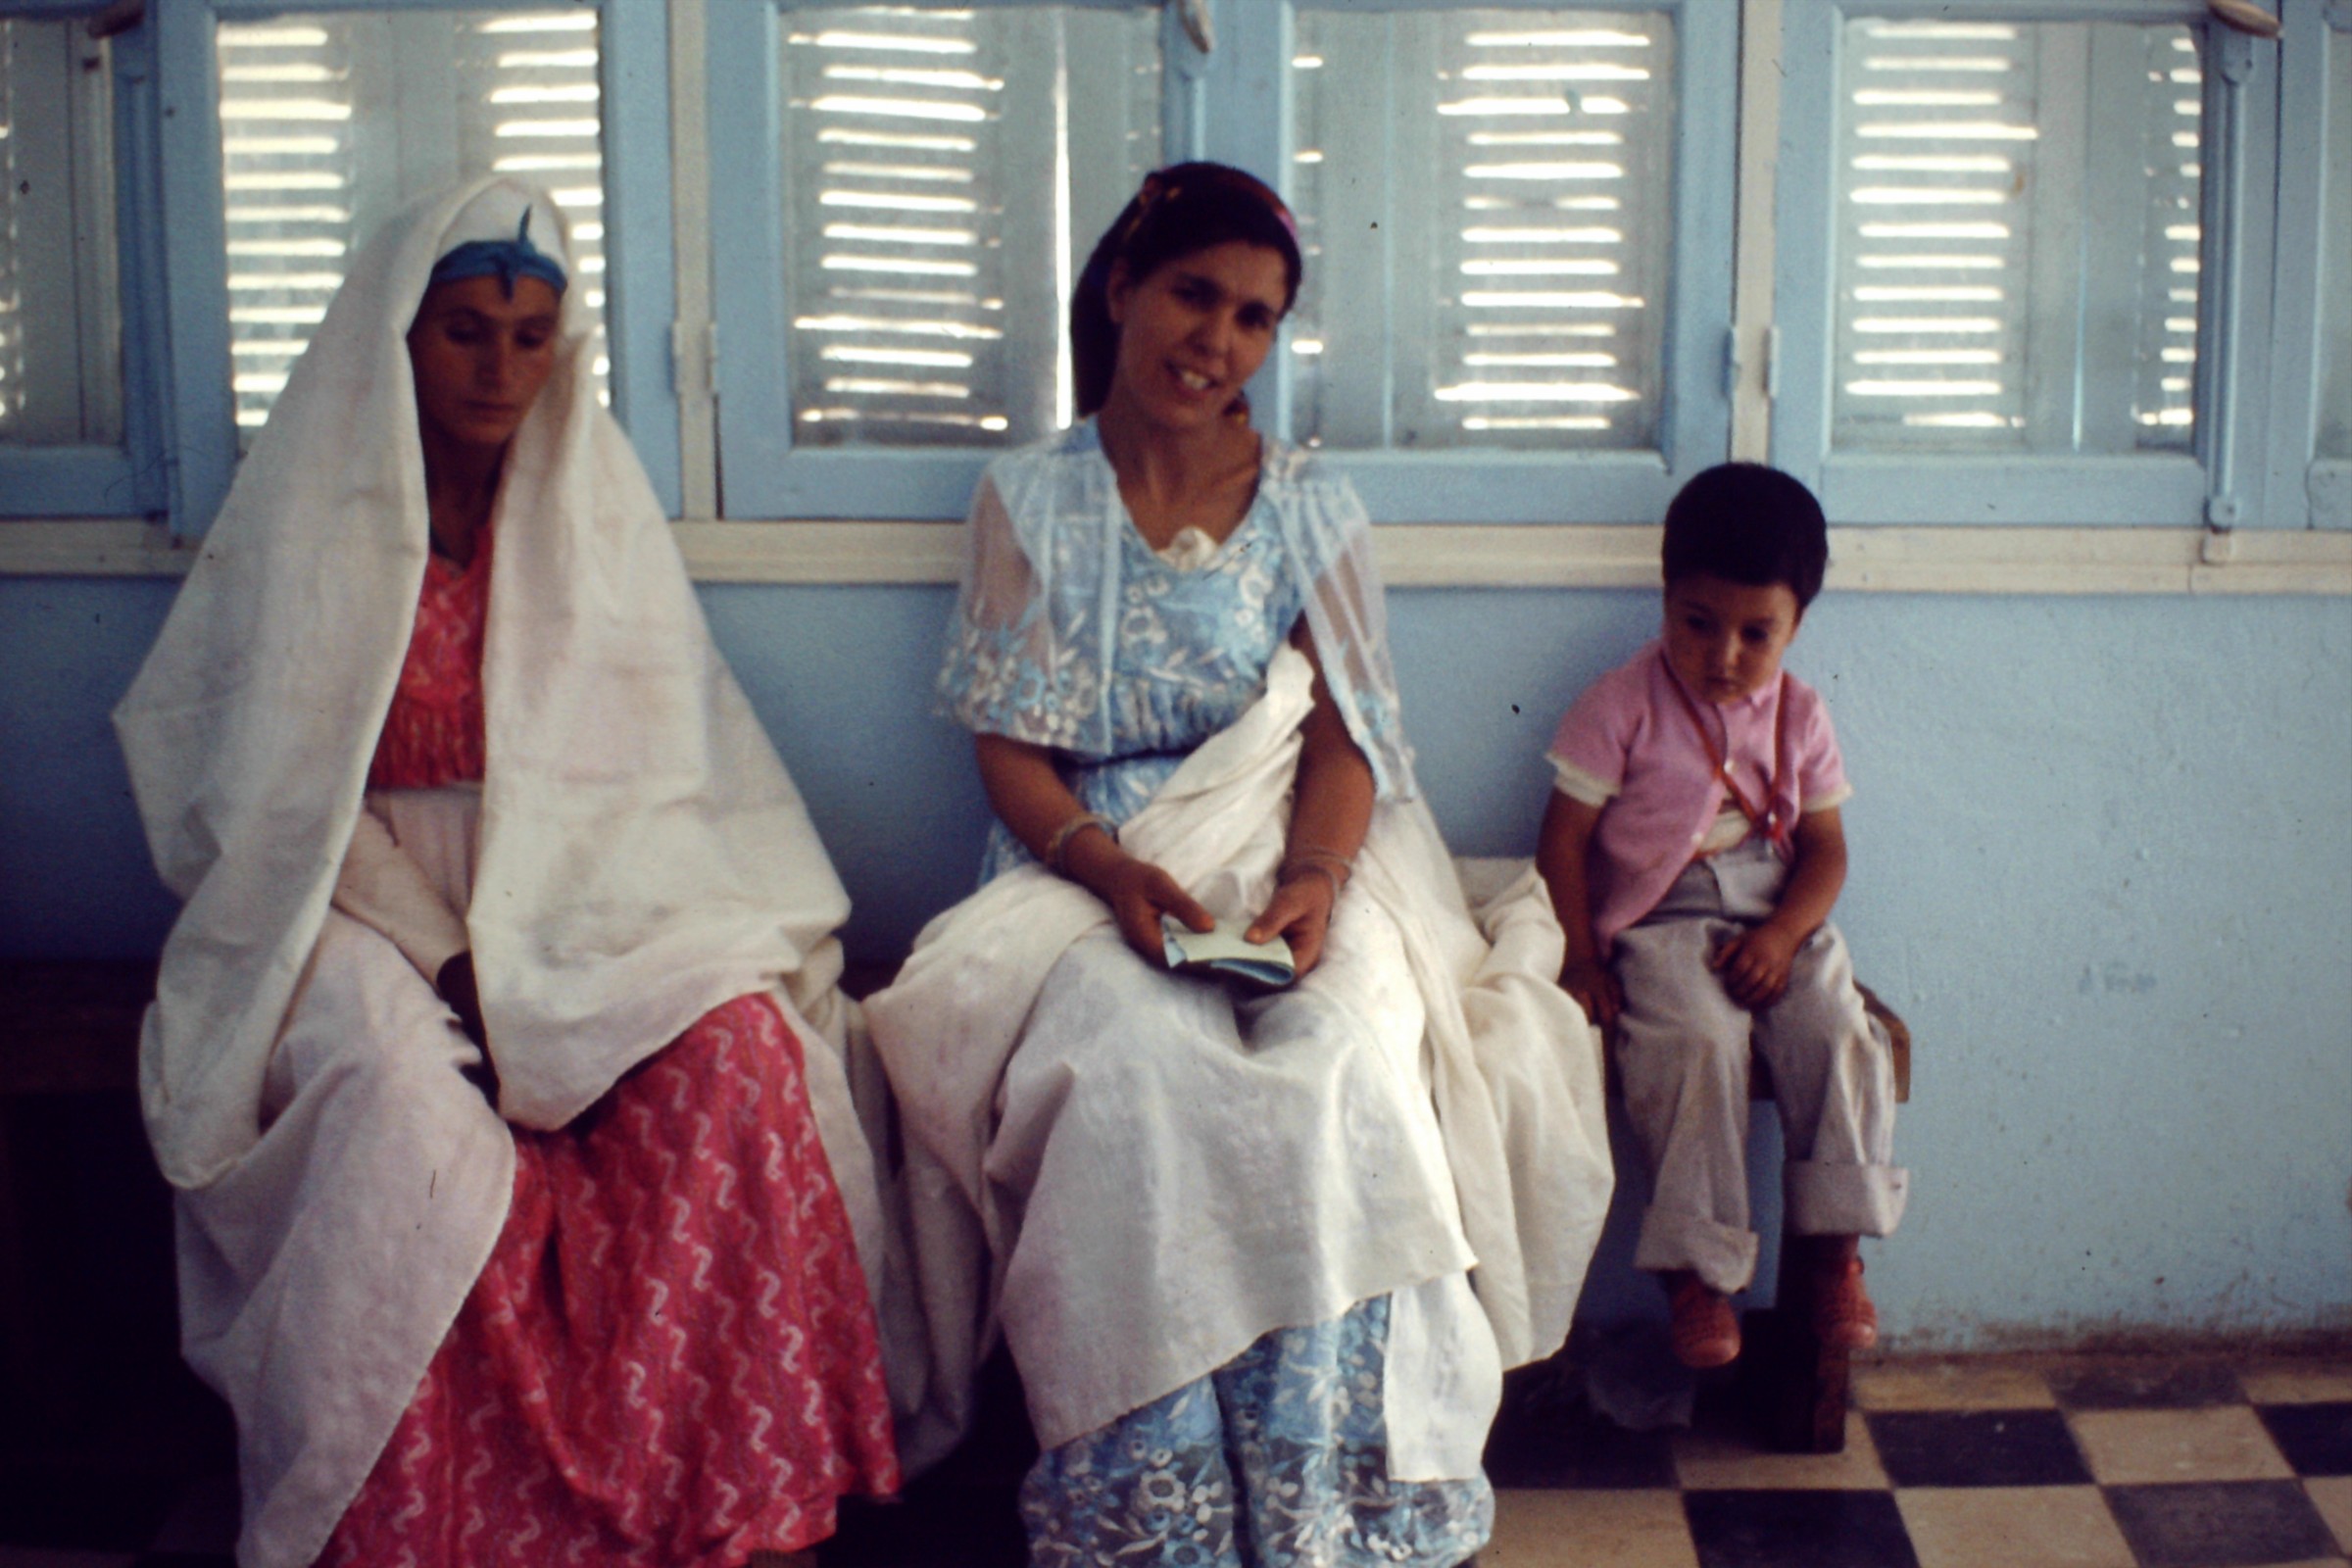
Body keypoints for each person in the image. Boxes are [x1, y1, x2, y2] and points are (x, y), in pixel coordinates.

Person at [113, 178, 899, 1568]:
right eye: (465, 330)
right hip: (353, 902)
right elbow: (289, 808)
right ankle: (436, 1524)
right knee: (406, 1121)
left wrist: (555, 962)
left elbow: (651, 777)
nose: (498, 367)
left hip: (575, 887)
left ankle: (703, 1498)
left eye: (531, 336)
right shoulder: (320, 527)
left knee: (740, 1055)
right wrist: (456, 960)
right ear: (401, 339)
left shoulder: (586, 512)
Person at [864, 163, 1613, 1568]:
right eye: (1194, 295)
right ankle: (1163, 1515)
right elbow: (1008, 750)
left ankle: (1325, 1504)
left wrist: (1315, 884)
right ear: (1121, 290)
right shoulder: (1028, 497)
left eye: (1255, 317)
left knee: (1341, 1067)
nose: (1218, 340)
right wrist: (1110, 874)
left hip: (1300, 839)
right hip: (1088, 856)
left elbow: (1343, 735)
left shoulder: (1315, 509)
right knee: (1132, 1077)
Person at [1535, 463, 1908, 1371]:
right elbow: (1564, 840)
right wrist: (1581, 958)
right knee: (1694, 1040)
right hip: (1660, 919)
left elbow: (1826, 851)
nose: (1724, 656)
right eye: (1697, 623)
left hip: (1780, 915)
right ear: (1665, 599)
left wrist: (1783, 937)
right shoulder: (1620, 703)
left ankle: (1835, 1253)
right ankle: (1697, 1274)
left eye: (1756, 633)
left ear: (1796, 625)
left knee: (1838, 1028)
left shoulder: (1801, 714)